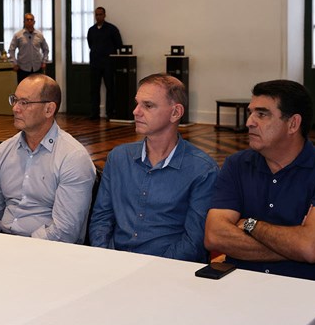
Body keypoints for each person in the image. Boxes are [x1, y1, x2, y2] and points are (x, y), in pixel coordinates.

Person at [204, 80, 315, 286]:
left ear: (293, 124)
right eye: (251, 113)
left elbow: (312, 248)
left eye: (262, 114)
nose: (249, 122)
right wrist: (296, 247)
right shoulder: (236, 165)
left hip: (310, 291)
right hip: (245, 286)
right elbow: (214, 236)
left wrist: (250, 224)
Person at [89, 74, 218, 262]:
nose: (135, 111)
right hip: (114, 264)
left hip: (168, 269)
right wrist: (107, 258)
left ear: (175, 113)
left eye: (148, 106)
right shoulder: (118, 158)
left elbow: (193, 242)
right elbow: (101, 218)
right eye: (137, 103)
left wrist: (153, 269)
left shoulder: (202, 170)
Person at [0, 74, 96, 243]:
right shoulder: (4, 151)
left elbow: (64, 231)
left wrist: (20, 248)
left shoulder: (72, 158)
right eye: (14, 100)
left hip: (47, 249)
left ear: (49, 110)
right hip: (3, 243)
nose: (15, 108)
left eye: (24, 102)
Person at [87, 7, 123, 120]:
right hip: (95, 63)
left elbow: (119, 44)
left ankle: (110, 112)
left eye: (100, 14)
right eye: (96, 15)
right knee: (94, 89)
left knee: (110, 88)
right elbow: (90, 44)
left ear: (104, 15)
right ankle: (94, 113)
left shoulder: (112, 29)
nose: (98, 17)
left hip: (108, 63)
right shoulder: (91, 30)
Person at [8, 13, 49, 84]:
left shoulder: (39, 35)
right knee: (24, 89)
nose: (29, 21)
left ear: (34, 22)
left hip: (37, 68)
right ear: (24, 22)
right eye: (27, 20)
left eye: (31, 20)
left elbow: (46, 49)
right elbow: (11, 50)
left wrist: (44, 61)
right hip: (23, 69)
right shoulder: (18, 35)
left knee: (37, 88)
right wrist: (14, 63)